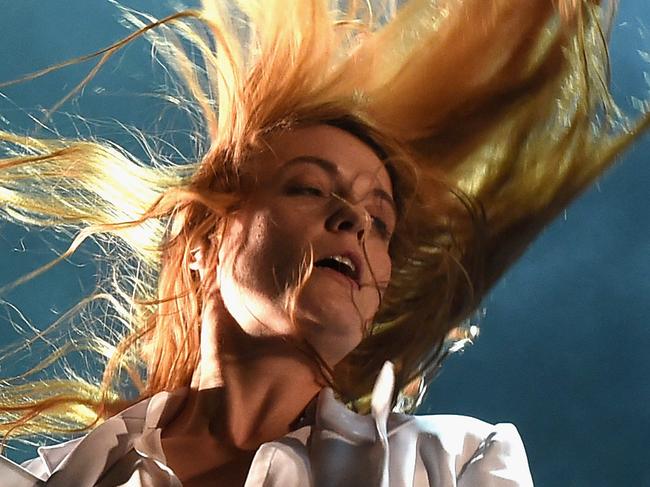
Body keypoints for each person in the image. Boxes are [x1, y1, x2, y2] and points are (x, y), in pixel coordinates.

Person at [0, 0, 647, 486]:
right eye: (310, 188)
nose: (355, 222)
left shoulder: (452, 465)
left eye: (381, 220)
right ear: (203, 240)